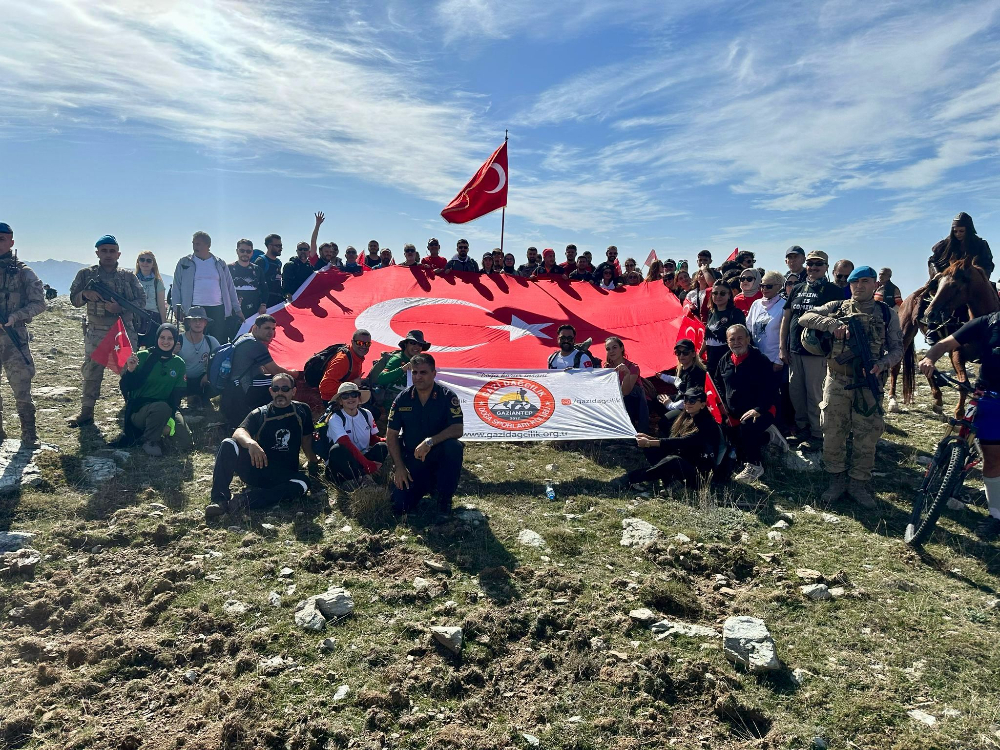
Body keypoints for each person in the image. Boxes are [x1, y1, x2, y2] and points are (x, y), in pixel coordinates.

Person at [799, 266, 903, 507]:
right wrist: (830, 324)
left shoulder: (887, 314)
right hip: (837, 379)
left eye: (865, 281)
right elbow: (805, 317)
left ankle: (858, 483)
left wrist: (882, 363)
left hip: (869, 381)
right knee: (833, 431)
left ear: (875, 284)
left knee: (867, 434)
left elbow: (897, 348)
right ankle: (836, 480)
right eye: (855, 282)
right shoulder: (837, 307)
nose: (859, 286)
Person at [919, 312, 1000, 539]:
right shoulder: (990, 321)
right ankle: (996, 516)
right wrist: (929, 358)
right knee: (992, 458)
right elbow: (946, 343)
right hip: (988, 397)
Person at [206, 373, 317, 518]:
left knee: (302, 484)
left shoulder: (303, 411)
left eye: (285, 389)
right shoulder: (260, 413)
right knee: (228, 443)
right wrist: (251, 443)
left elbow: (307, 439)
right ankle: (219, 500)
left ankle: (244, 501)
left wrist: (313, 462)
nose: (280, 393)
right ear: (270, 391)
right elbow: (239, 432)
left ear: (293, 391)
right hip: (257, 468)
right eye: (275, 389)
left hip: (283, 473)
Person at [68, 235, 146, 428]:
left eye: (112, 251)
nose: (108, 255)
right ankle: (86, 412)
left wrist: (121, 308)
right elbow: (73, 299)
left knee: (130, 370)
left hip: (123, 330)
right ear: (97, 253)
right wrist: (85, 294)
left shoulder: (128, 277)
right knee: (92, 372)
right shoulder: (86, 275)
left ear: (118, 253)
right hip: (96, 331)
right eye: (104, 251)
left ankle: (133, 409)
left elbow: (142, 301)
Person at [779, 250, 843, 450]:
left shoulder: (833, 290)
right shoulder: (797, 288)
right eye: (810, 263)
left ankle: (817, 433)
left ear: (826, 267)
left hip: (817, 351)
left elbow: (839, 318)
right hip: (795, 350)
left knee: (815, 393)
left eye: (819, 264)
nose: (814, 267)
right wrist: (783, 346)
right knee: (796, 392)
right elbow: (786, 318)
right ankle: (801, 429)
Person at [386, 353, 464, 516]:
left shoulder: (447, 396)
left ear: (434, 373)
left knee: (453, 447)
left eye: (423, 372)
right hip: (413, 459)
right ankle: (424, 487)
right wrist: (399, 467)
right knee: (399, 506)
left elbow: (458, 429)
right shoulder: (403, 399)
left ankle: (444, 497)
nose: (418, 377)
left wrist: (430, 442)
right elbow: (391, 434)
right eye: (414, 372)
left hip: (437, 457)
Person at [611, 387, 720, 491]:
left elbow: (684, 442)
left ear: (702, 404)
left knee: (672, 460)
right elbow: (674, 441)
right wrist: (650, 439)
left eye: (692, 400)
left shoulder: (708, 424)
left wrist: (651, 442)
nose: (687, 403)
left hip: (699, 475)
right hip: (683, 463)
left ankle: (630, 478)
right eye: (685, 399)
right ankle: (671, 481)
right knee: (650, 448)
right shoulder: (686, 417)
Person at [0, 222, 44, 445]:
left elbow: (39, 303)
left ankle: (29, 433)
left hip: (13, 338)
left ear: (11, 242)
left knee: (21, 386)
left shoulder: (24, 272)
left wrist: (15, 317)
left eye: (1, 239)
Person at [715, 324, 777, 483]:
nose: (736, 342)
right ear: (727, 342)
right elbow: (717, 383)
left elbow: (771, 389)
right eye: (732, 339)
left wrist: (759, 409)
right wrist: (722, 405)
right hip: (733, 412)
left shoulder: (760, 360)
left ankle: (755, 466)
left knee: (747, 426)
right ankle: (765, 438)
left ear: (748, 339)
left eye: (740, 338)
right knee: (728, 432)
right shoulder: (724, 360)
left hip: (762, 409)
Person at [120, 323, 188, 456]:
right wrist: (131, 370)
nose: (166, 342)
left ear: (175, 341)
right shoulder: (143, 356)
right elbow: (126, 388)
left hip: (167, 408)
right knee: (161, 407)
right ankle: (150, 441)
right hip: (140, 410)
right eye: (162, 337)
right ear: (156, 338)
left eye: (170, 338)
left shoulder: (179, 363)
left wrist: (171, 419)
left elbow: (176, 396)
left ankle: (159, 432)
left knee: (184, 440)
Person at [221, 314, 298, 427]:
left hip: (233, 387)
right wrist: (294, 374)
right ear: (255, 328)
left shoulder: (244, 337)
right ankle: (282, 413)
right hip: (242, 389)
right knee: (284, 383)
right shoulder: (255, 345)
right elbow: (276, 371)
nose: (271, 332)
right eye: (267, 328)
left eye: (273, 329)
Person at [172, 231, 241, 343]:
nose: (195, 247)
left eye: (198, 244)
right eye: (193, 243)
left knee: (218, 341)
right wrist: (177, 308)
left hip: (217, 308)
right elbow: (176, 286)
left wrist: (237, 309)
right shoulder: (184, 263)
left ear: (208, 245)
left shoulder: (219, 263)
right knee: (193, 340)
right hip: (193, 308)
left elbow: (230, 287)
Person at [324, 382, 387, 488]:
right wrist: (366, 464)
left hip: (361, 459)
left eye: (354, 394)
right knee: (338, 449)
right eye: (345, 396)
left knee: (382, 447)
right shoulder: (335, 418)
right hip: (343, 464)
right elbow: (346, 444)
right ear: (340, 401)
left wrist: (390, 441)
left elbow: (372, 439)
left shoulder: (367, 414)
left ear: (359, 398)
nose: (350, 398)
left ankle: (361, 478)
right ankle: (362, 478)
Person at [656, 338, 708, 428]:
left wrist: (670, 405)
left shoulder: (695, 373)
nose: (681, 356)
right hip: (681, 399)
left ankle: (677, 432)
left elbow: (688, 399)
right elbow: (678, 381)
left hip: (691, 407)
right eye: (678, 353)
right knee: (658, 399)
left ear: (693, 354)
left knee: (663, 423)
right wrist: (662, 376)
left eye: (685, 352)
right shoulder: (684, 367)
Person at [928, 212, 994, 279]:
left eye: (961, 231)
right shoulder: (945, 245)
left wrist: (982, 278)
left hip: (972, 280)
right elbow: (932, 261)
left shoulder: (980, 244)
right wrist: (937, 273)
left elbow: (988, 265)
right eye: (955, 231)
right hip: (946, 279)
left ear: (968, 231)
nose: (958, 234)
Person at [177, 307, 219, 408]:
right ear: (188, 323)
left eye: (201, 320)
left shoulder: (211, 341)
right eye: (194, 320)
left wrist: (208, 374)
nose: (198, 323)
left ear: (205, 323)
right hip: (181, 380)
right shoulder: (178, 340)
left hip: (201, 380)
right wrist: (172, 352)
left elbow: (221, 359)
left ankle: (202, 399)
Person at [701, 282, 746, 376]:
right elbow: (707, 338)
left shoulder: (736, 313)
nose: (718, 296)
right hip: (711, 363)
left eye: (722, 293)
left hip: (728, 365)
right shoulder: (711, 313)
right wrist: (699, 355)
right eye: (715, 293)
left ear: (729, 295)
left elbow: (743, 340)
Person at [375, 330, 432, 401]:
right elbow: (381, 378)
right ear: (406, 344)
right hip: (392, 403)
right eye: (413, 343)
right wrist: (402, 369)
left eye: (420, 344)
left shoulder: (420, 362)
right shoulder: (397, 359)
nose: (416, 347)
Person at [604, 336, 647, 431]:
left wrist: (626, 374)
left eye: (614, 347)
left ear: (622, 348)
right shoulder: (606, 368)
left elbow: (626, 392)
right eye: (608, 349)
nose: (611, 351)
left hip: (633, 402)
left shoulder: (633, 367)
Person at [318, 329, 371, 403]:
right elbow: (325, 387)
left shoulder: (356, 356)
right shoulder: (342, 361)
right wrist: (353, 383)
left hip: (347, 397)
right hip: (334, 401)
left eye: (367, 344)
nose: (364, 346)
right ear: (352, 342)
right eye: (360, 343)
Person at [746, 271, 786, 368]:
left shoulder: (784, 305)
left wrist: (779, 361)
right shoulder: (756, 304)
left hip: (773, 360)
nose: (764, 289)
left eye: (769, 286)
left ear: (779, 286)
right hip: (755, 358)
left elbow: (786, 336)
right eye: (762, 285)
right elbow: (749, 327)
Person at [229, 239, 268, 335]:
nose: (245, 253)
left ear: (252, 253)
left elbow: (264, 288)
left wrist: (263, 304)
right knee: (234, 336)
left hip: (254, 310)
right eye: (242, 251)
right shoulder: (229, 268)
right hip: (234, 310)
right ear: (237, 251)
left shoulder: (257, 269)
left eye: (248, 251)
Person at [134, 252, 168, 349]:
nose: (145, 263)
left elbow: (161, 305)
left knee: (152, 349)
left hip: (153, 318)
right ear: (138, 262)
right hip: (136, 317)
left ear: (153, 264)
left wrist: (164, 325)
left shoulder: (157, 282)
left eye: (149, 260)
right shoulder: (132, 280)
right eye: (142, 259)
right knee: (133, 349)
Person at [255, 234, 284, 308]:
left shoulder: (278, 263)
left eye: (281, 245)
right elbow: (256, 284)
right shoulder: (261, 261)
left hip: (277, 302)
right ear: (270, 246)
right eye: (278, 246)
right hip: (265, 304)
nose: (281, 248)